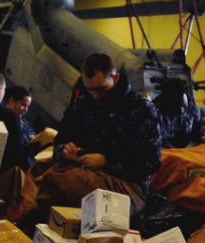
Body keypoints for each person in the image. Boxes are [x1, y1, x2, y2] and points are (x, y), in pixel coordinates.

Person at [37, 53, 161, 213]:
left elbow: (151, 161)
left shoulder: (141, 109)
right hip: (83, 171)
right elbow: (60, 141)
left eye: (101, 89)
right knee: (38, 173)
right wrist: (65, 151)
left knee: (57, 181)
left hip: (128, 186)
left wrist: (106, 161)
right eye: (89, 89)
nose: (95, 95)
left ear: (115, 79)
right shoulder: (82, 105)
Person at [155, 78, 205, 148]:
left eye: (184, 106)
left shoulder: (191, 107)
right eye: (178, 106)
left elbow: (199, 124)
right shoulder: (155, 112)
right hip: (165, 150)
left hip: (189, 148)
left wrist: (203, 135)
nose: (182, 110)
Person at [3, 85, 36, 170]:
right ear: (11, 101)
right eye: (23, 105)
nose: (26, 110)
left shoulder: (25, 123)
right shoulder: (1, 117)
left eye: (28, 106)